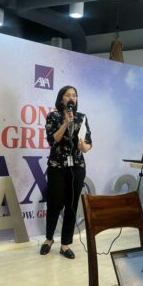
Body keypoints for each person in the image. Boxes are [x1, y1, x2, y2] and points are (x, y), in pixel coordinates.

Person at [40, 85, 92, 259]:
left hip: (77, 168)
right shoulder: (53, 116)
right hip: (57, 167)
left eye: (74, 95)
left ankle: (65, 244)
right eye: (68, 95)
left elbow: (88, 143)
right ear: (61, 99)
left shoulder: (82, 117)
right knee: (54, 204)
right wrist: (66, 124)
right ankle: (49, 239)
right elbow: (52, 139)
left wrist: (84, 147)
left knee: (71, 206)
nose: (71, 98)